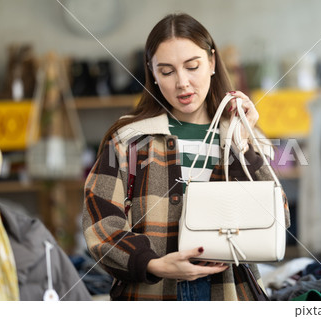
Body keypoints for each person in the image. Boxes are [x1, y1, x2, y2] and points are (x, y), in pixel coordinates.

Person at [82, 13, 290, 301]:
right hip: (150, 295)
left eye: (192, 66)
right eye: (166, 72)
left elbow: (279, 218)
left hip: (230, 294)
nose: (182, 82)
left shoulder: (241, 136)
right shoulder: (128, 140)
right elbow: (101, 223)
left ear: (213, 63)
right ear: (152, 74)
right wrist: (154, 264)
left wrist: (243, 143)